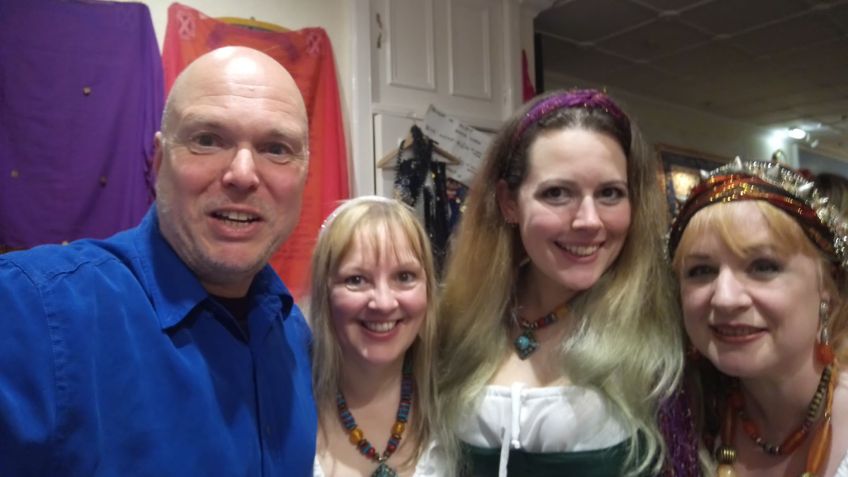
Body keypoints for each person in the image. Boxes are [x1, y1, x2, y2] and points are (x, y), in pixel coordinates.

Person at [0, 46, 316, 475]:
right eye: (207, 140)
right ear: (160, 160)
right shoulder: (30, 312)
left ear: (303, 176)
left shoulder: (294, 335)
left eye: (276, 148)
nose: (243, 174)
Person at [436, 89, 691, 476]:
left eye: (610, 193)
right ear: (508, 202)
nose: (589, 220)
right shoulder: (460, 320)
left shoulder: (666, 325)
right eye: (557, 193)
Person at [668, 159, 848, 476]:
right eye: (701, 270)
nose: (725, 298)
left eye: (763, 267)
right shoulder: (681, 422)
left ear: (827, 285)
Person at [308, 196, 442, 476]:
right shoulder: (288, 407)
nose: (383, 303)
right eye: (356, 280)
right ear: (324, 294)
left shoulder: (454, 400)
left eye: (404, 277)